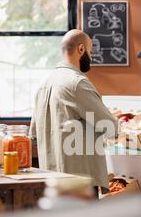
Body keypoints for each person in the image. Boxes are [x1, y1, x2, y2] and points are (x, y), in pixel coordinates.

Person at [29, 29, 118, 193]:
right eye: (90, 52)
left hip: (51, 179)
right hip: (79, 180)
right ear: (81, 49)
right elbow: (110, 126)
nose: (91, 58)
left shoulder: (42, 84)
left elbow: (33, 136)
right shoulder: (77, 83)